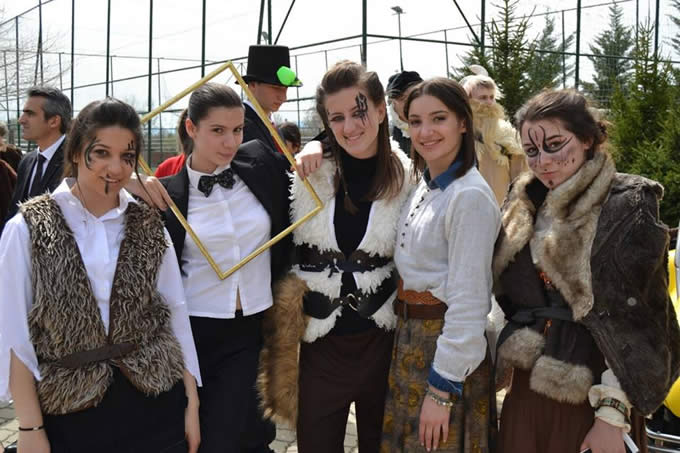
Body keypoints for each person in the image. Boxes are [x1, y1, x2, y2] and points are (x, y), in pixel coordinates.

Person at [0, 98, 202, 453]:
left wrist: (192, 403)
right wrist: (30, 426)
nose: (116, 168)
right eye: (102, 153)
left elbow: (176, 313)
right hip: (70, 411)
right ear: (77, 151)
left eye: (127, 156)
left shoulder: (149, 225)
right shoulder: (27, 228)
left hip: (157, 403)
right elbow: (14, 335)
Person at [493, 89, 680, 453]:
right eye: (531, 150)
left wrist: (611, 412)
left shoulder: (626, 203)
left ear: (587, 139)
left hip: (595, 386)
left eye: (555, 145)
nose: (543, 161)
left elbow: (642, 318)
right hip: (528, 386)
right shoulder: (522, 200)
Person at [258, 60, 412, 453]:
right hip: (318, 343)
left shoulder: (407, 176)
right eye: (337, 118)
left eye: (359, 113)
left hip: (383, 341)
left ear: (381, 110)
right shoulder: (309, 172)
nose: (350, 127)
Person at [159, 82, 292, 453]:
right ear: (191, 128)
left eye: (237, 129)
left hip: (256, 327)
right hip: (196, 333)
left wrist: (314, 148)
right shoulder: (167, 194)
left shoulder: (259, 162)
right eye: (217, 130)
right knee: (209, 436)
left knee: (252, 434)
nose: (230, 142)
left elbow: (312, 179)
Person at [378, 78, 500, 453]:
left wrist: (442, 389)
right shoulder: (426, 183)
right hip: (410, 339)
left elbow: (470, 300)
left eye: (438, 118)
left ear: (463, 122)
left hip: (443, 351)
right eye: (415, 121)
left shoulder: (469, 196)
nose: (425, 131)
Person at [5, 87, 72, 227]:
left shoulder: (75, 162)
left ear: (54, 121)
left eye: (30, 114)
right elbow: (14, 210)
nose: (21, 120)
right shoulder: (26, 161)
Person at [460, 68, 526, 205]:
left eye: (491, 97)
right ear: (468, 100)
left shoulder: (505, 131)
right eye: (483, 98)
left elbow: (518, 169)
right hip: (468, 199)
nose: (489, 102)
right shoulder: (459, 130)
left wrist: (516, 199)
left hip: (501, 198)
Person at [241, 45, 302, 154]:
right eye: (276, 88)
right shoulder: (239, 126)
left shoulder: (273, 127)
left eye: (286, 89)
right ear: (252, 85)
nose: (284, 97)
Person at [386, 70, 423, 153]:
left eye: (418, 97)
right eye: (406, 99)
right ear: (394, 101)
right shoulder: (385, 130)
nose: (414, 103)